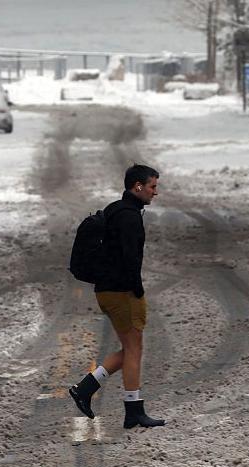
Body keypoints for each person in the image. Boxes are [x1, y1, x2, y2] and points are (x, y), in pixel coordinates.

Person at [69, 164, 165, 429]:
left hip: (107, 289)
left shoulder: (115, 209)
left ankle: (85, 388)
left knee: (131, 349)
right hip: (121, 291)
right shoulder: (129, 217)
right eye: (152, 186)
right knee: (134, 348)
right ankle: (133, 410)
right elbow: (129, 258)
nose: (155, 192)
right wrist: (137, 289)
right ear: (138, 186)